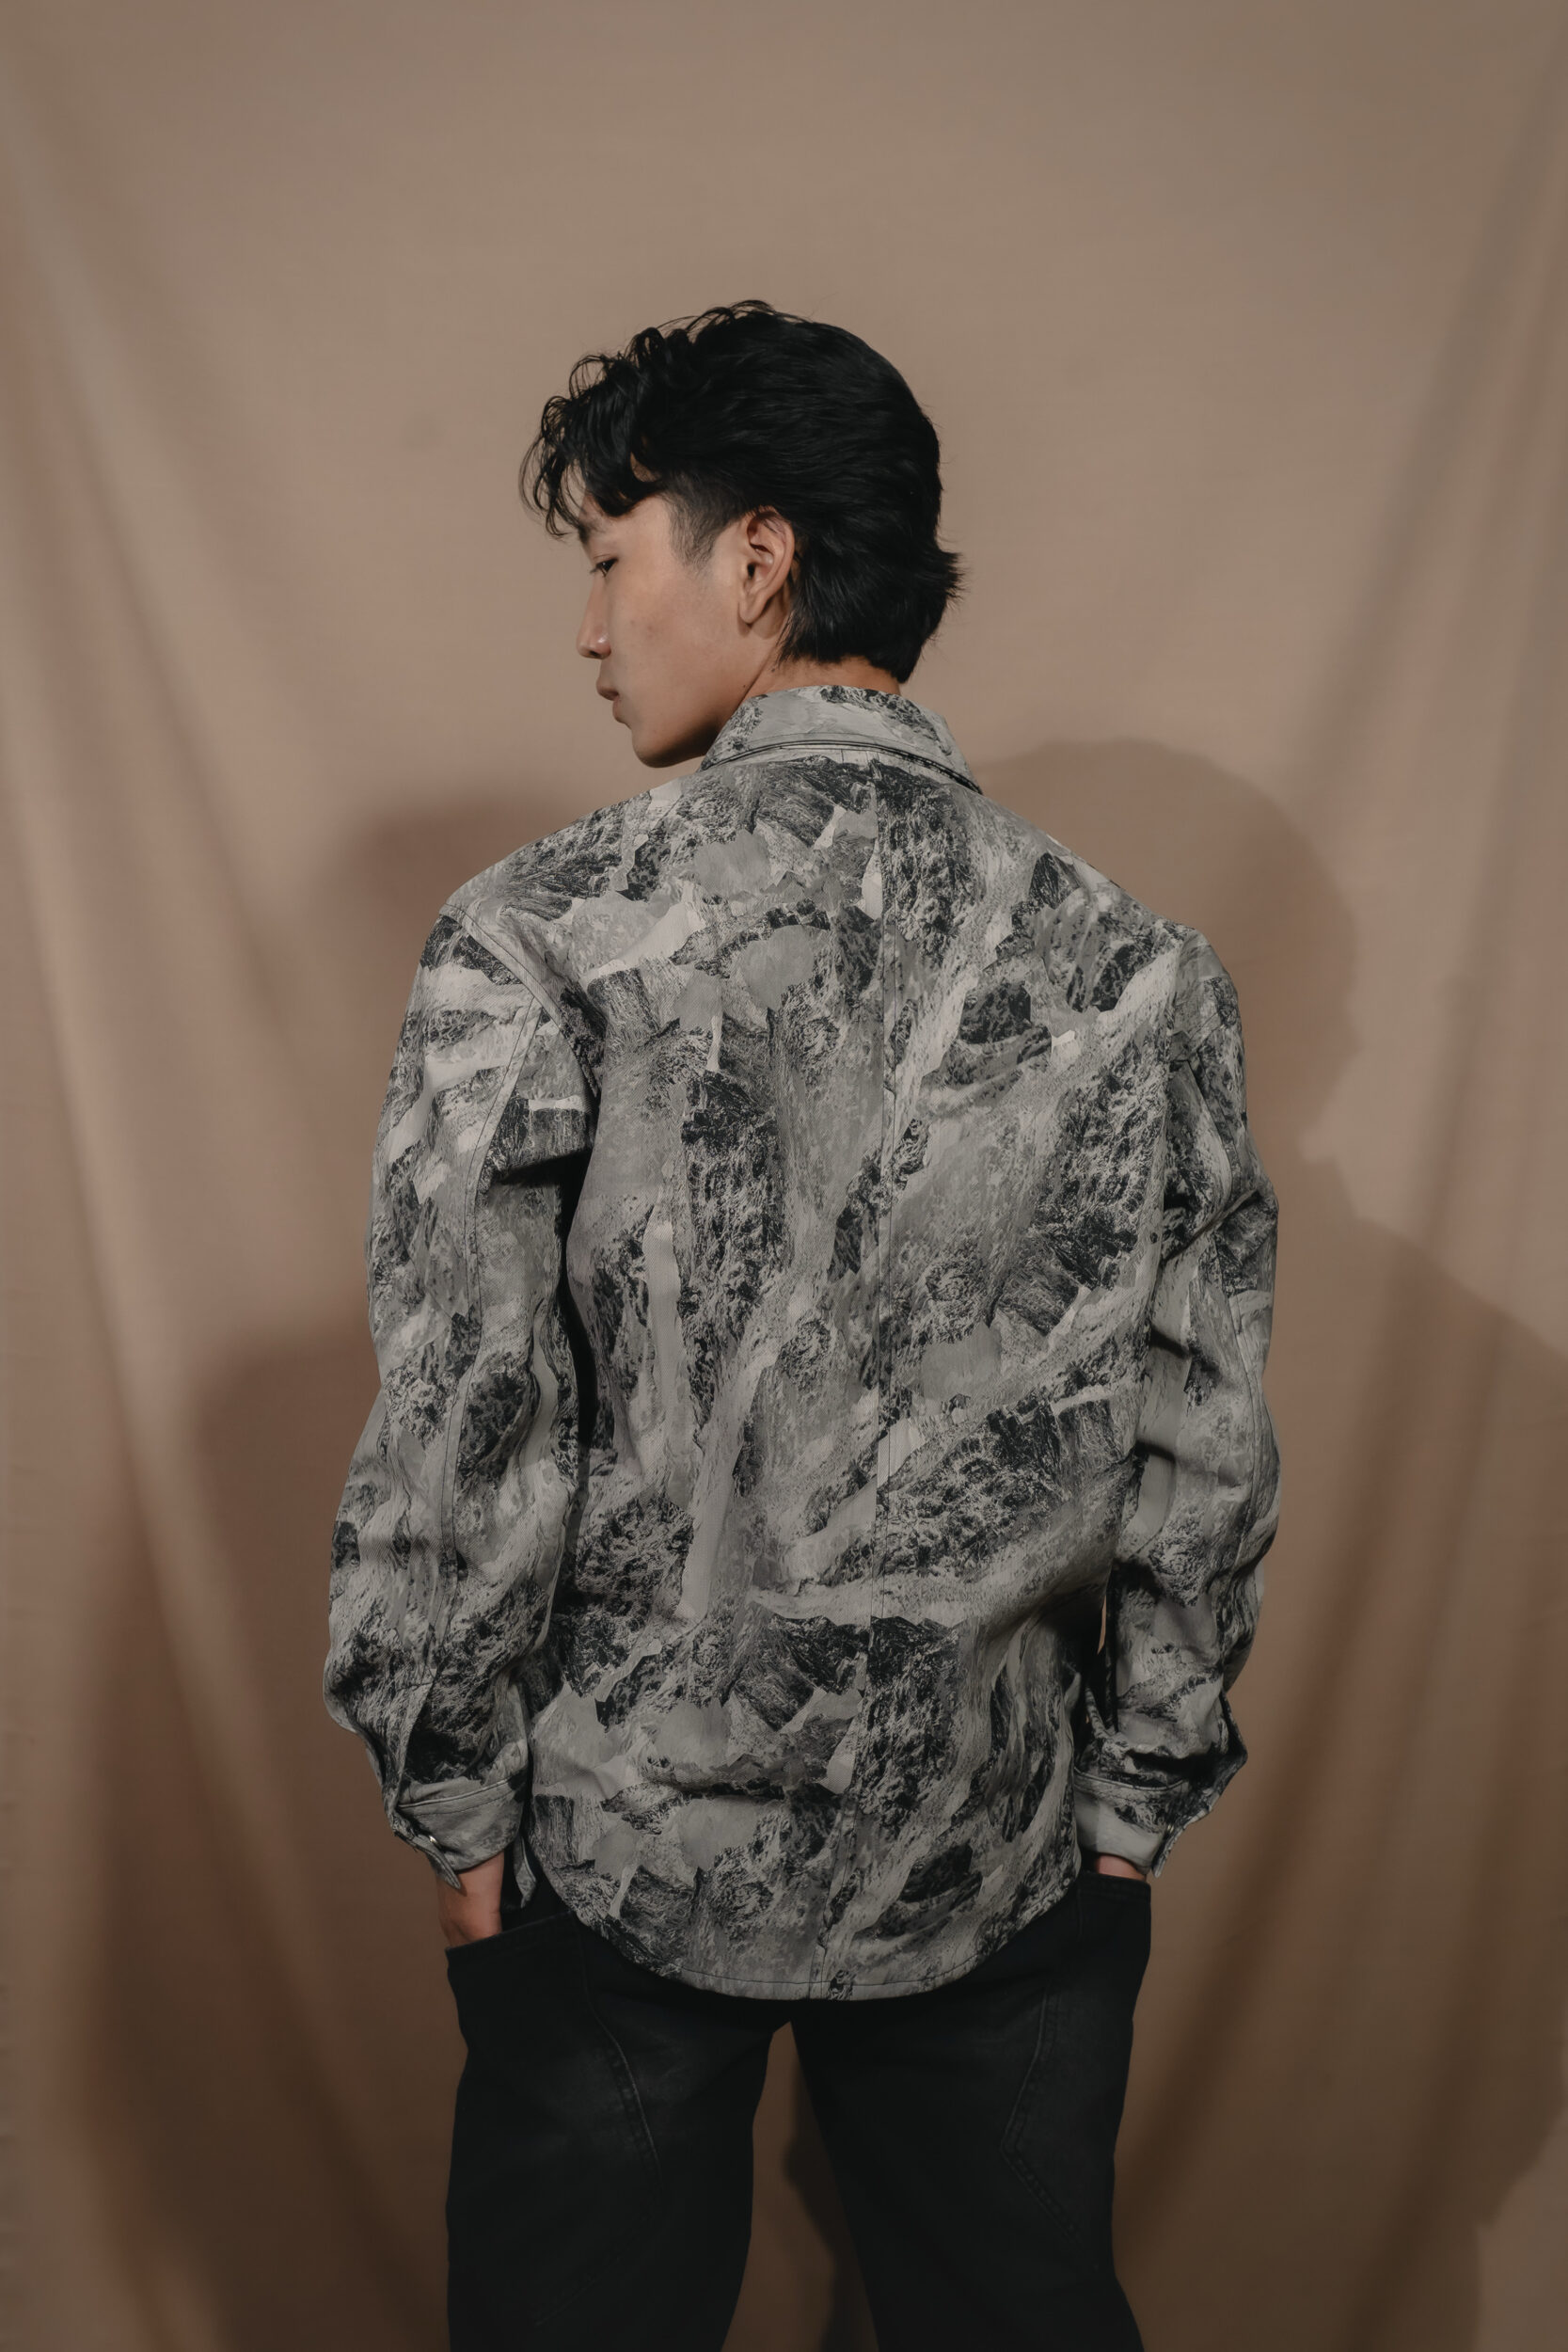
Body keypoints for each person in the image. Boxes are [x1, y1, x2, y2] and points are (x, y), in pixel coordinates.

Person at [323, 300, 1280, 2351]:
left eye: (611, 559)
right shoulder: (1142, 973)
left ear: (754, 558)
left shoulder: (539, 936)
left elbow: (467, 1417)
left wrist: (454, 1794)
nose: (591, 630)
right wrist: (1131, 1807)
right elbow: (1201, 1445)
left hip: (615, 1847)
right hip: (1005, 1847)